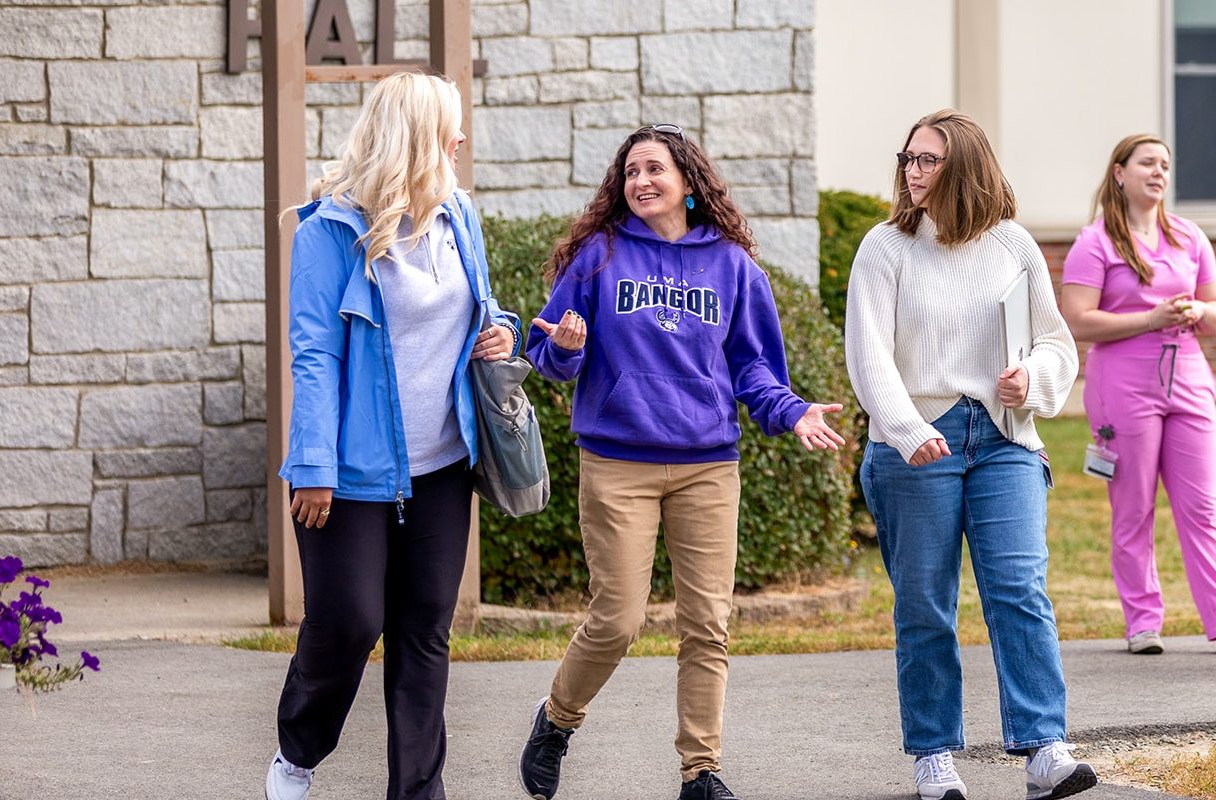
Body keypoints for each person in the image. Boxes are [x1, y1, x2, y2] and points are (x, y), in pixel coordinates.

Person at [514, 123, 845, 800]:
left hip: (706, 467)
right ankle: (556, 719)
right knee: (618, 620)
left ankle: (701, 771)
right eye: (631, 172)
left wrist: (794, 411)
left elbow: (755, 372)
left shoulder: (732, 267)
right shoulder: (599, 257)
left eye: (654, 170)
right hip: (618, 462)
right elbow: (545, 353)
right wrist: (570, 347)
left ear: (689, 182)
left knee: (708, 625)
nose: (641, 182)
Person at [268, 71, 519, 800]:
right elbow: (313, 353)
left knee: (423, 634)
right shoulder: (329, 232)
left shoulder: (458, 215)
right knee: (348, 622)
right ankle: (296, 753)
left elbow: (480, 304)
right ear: (416, 134)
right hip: (346, 470)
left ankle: (418, 793)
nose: (462, 140)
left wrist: (496, 331)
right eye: (451, 126)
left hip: (443, 464)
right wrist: (312, 462)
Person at [845, 109, 1096, 800]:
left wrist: (1032, 379)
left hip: (1005, 436)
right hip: (918, 442)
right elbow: (868, 358)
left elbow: (1056, 345)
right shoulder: (885, 247)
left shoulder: (1012, 244)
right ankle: (934, 754)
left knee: (1020, 588)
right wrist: (903, 428)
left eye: (928, 160)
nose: (913, 171)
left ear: (965, 169)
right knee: (927, 603)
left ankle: (1045, 748)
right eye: (909, 159)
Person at [1058, 135, 1216, 659]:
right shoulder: (1094, 243)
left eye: (1165, 164)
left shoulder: (1189, 237)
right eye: (1147, 163)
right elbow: (1077, 320)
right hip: (1122, 382)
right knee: (1133, 505)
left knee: (1202, 507)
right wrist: (1150, 318)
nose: (1159, 172)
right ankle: (1142, 622)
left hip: (1188, 376)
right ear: (1119, 173)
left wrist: (1196, 314)